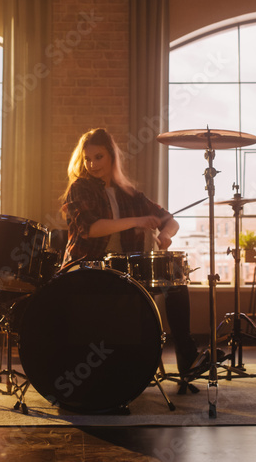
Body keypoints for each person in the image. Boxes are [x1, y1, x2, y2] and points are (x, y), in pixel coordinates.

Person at [60, 128, 202, 376]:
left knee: (175, 278)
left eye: (99, 157)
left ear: (112, 157)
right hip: (86, 269)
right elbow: (91, 229)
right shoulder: (80, 187)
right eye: (87, 158)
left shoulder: (130, 194)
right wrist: (137, 221)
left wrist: (165, 234)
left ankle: (186, 357)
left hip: (124, 271)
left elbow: (169, 219)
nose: (92, 164)